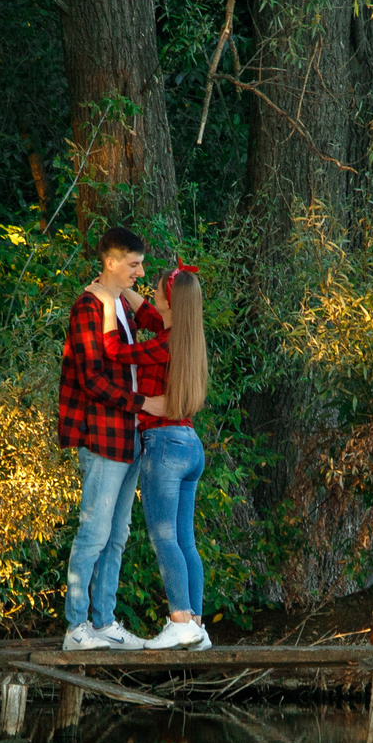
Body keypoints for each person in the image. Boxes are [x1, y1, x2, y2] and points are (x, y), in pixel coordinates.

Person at [56, 227, 153, 651]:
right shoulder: (86, 309)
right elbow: (91, 378)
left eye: (141, 263)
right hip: (103, 436)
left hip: (130, 437)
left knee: (117, 535)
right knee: (93, 533)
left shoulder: (120, 308)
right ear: (110, 262)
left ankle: (104, 622)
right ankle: (76, 627)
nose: (140, 271)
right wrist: (142, 404)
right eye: (133, 264)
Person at [129, 265, 212, 650]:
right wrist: (118, 292)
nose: (153, 293)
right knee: (185, 540)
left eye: (158, 290)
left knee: (164, 538)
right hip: (190, 444)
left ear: (171, 300)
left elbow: (119, 354)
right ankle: (196, 624)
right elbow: (147, 313)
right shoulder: (186, 336)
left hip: (164, 445)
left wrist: (140, 402)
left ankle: (179, 620)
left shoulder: (164, 343)